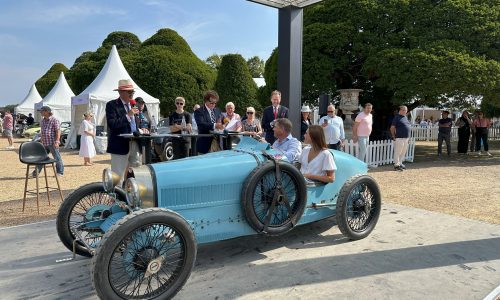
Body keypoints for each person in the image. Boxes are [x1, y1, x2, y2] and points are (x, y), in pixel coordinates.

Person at [105, 79, 144, 183]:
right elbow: (112, 124)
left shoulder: (133, 105)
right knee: (118, 175)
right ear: (120, 92)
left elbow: (135, 124)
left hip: (135, 142)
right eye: (129, 92)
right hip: (119, 144)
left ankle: (134, 196)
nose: (132, 94)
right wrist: (128, 115)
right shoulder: (111, 105)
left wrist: (141, 129)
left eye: (133, 92)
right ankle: (117, 198)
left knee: (138, 173)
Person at [34, 106, 64, 176]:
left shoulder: (54, 120)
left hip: (52, 142)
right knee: (41, 158)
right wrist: (41, 140)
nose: (40, 112)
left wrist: (57, 141)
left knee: (57, 157)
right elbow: (43, 131)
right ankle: (36, 173)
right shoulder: (42, 121)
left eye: (42, 111)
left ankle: (60, 172)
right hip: (44, 142)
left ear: (47, 112)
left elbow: (58, 131)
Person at [390, 105, 411, 171]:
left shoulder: (405, 117)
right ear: (400, 110)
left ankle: (400, 163)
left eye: (406, 110)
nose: (405, 111)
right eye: (404, 110)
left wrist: (408, 138)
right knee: (398, 152)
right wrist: (393, 136)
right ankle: (396, 165)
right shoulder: (397, 117)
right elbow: (392, 128)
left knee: (403, 152)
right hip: (399, 138)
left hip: (406, 138)